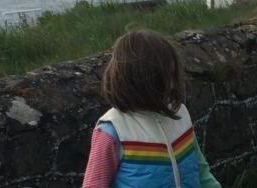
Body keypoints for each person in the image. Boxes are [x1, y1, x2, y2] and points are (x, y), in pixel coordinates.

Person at [82, 29, 221, 188]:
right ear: (141, 80)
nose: (173, 83)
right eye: (166, 76)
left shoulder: (180, 113)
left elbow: (201, 171)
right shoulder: (112, 131)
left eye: (173, 74)